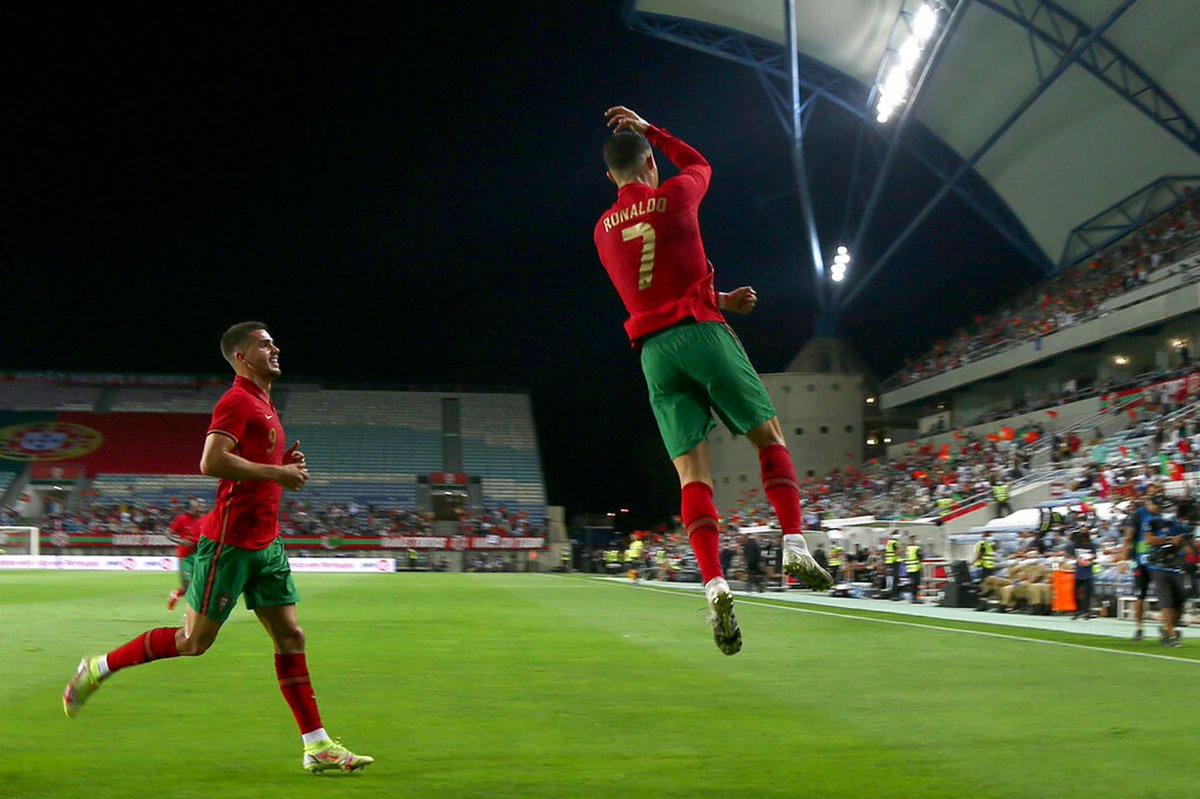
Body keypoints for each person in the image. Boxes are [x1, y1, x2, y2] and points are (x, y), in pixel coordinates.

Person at [63, 321, 373, 773]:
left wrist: (280, 465)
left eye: (273, 341)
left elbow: (249, 465)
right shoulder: (236, 400)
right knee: (194, 643)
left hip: (266, 543)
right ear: (242, 357)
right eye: (264, 344)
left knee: (291, 636)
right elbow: (210, 461)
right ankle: (98, 667)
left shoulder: (264, 403)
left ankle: (317, 745)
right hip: (229, 544)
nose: (275, 347)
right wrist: (278, 474)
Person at [593, 106, 830, 654]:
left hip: (654, 355)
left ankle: (714, 584)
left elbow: (651, 290)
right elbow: (699, 161)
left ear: (610, 178)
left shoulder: (602, 232)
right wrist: (651, 127)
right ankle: (793, 541)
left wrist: (720, 298)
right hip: (702, 335)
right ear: (650, 162)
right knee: (768, 437)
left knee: (691, 475)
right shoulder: (677, 193)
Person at [166, 498, 205, 611]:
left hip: (200, 556)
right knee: (188, 587)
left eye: (201, 505)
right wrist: (181, 541)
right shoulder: (182, 519)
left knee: (200, 586)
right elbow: (168, 534)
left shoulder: (205, 520)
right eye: (198, 505)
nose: (200, 507)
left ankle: (191, 610)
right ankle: (180, 598)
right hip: (186, 557)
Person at [904, 535, 923, 603]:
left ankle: (912, 597)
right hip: (916, 568)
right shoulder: (916, 548)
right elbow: (921, 557)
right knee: (916, 584)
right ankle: (915, 598)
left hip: (909, 568)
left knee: (912, 583)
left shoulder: (908, 548)